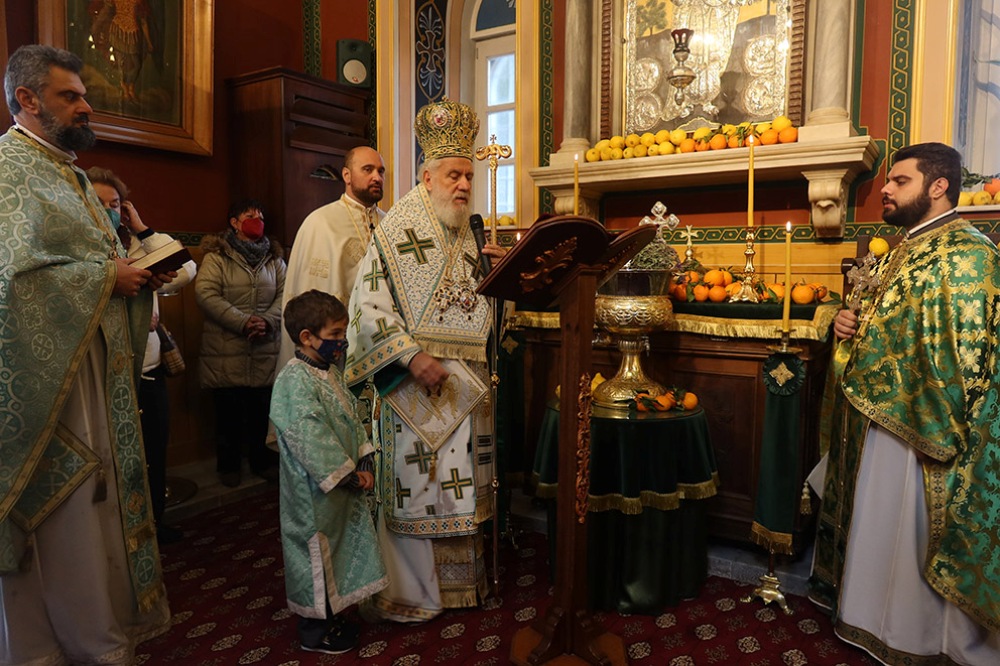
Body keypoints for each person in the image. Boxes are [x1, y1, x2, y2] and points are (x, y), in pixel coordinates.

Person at [0, 44, 171, 664]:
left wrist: (127, 275)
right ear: (27, 99)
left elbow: (84, 261)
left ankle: (98, 636)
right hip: (50, 392)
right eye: (69, 95)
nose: (85, 104)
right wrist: (106, 279)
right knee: (62, 516)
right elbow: (11, 282)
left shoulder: (63, 169)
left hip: (94, 374)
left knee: (93, 509)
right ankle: (54, 648)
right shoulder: (10, 171)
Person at [810, 142, 1000, 664]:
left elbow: (970, 356)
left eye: (899, 181)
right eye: (888, 182)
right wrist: (844, 325)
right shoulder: (901, 248)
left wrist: (941, 423)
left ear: (938, 187)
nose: (885, 191)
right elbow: (872, 319)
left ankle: (921, 637)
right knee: (879, 530)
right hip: (881, 420)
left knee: (910, 536)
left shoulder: (969, 255)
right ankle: (865, 615)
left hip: (927, 432)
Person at [345, 98, 506, 622]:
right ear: (427, 176)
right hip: (418, 393)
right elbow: (365, 306)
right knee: (423, 494)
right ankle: (415, 594)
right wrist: (411, 357)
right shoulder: (396, 232)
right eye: (453, 175)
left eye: (468, 175)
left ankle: (462, 587)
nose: (463, 185)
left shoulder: (466, 231)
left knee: (461, 494)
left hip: (467, 391)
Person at [270, 290, 389, 654]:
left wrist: (365, 459)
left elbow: (353, 418)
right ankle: (313, 633)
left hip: (338, 488)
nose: (342, 342)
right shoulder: (294, 381)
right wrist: (350, 475)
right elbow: (308, 436)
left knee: (337, 552)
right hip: (312, 493)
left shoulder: (327, 373)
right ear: (307, 337)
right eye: (335, 335)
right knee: (315, 558)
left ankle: (333, 617)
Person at [87, 166, 198, 544]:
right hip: (105, 374)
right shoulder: (83, 249)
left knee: (152, 452)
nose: (109, 210)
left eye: (115, 204)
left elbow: (185, 270)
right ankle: (117, 534)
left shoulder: (135, 244)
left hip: (148, 372)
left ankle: (154, 525)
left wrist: (142, 228)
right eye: (100, 203)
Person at [195, 199, 285, 487]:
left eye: (260, 215)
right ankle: (229, 466)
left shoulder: (274, 257)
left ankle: (262, 461)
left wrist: (267, 321)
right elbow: (207, 294)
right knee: (228, 413)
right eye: (249, 215)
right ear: (234, 222)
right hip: (226, 347)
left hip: (265, 345)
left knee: (262, 411)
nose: (257, 220)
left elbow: (286, 293)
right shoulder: (216, 256)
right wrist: (243, 322)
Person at [278, 145, 387, 369]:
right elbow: (311, 295)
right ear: (347, 175)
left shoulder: (391, 223)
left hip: (385, 341)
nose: (376, 177)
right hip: (340, 346)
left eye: (381, 171)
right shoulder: (320, 223)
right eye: (368, 169)